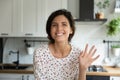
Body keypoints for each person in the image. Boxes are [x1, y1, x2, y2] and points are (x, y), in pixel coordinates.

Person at [33, 9, 99, 80]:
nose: (59, 28)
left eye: (64, 24)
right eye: (54, 25)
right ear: (50, 30)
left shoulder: (78, 54)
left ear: (71, 30)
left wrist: (82, 69)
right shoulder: (40, 54)